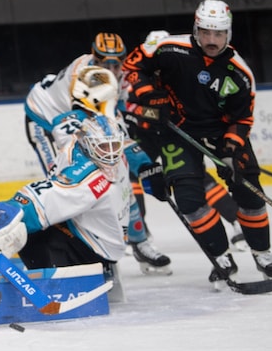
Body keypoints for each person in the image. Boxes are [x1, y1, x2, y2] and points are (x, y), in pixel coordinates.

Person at [123, 0, 272, 286]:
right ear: (195, 29)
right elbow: (133, 64)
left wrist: (231, 151)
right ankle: (222, 257)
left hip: (222, 133)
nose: (211, 40)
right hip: (178, 132)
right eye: (206, 32)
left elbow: (242, 119)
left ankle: (263, 253)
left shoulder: (239, 73)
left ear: (229, 34)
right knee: (188, 200)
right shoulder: (169, 49)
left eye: (219, 33)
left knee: (249, 192)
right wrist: (149, 95)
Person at [24, 32, 172, 275]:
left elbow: (120, 113)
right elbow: (97, 122)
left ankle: (139, 241)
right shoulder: (82, 76)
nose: (112, 68)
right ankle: (77, 251)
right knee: (67, 183)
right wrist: (145, 165)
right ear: (94, 58)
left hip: (79, 120)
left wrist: (153, 114)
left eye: (117, 62)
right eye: (105, 62)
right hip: (46, 119)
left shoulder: (118, 76)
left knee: (118, 178)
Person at [0, 110, 131, 293]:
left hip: (95, 251)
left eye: (113, 146)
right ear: (85, 142)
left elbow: (38, 203)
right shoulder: (108, 155)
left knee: (27, 234)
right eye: (103, 147)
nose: (110, 154)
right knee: (37, 224)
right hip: (105, 238)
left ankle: (59, 286)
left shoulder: (89, 180)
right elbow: (62, 123)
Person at [124, 29, 246, 251]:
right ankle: (139, 236)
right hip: (145, 140)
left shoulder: (178, 69)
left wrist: (170, 117)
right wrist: (153, 115)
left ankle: (236, 220)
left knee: (197, 179)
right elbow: (127, 107)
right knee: (131, 179)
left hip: (174, 135)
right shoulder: (140, 75)